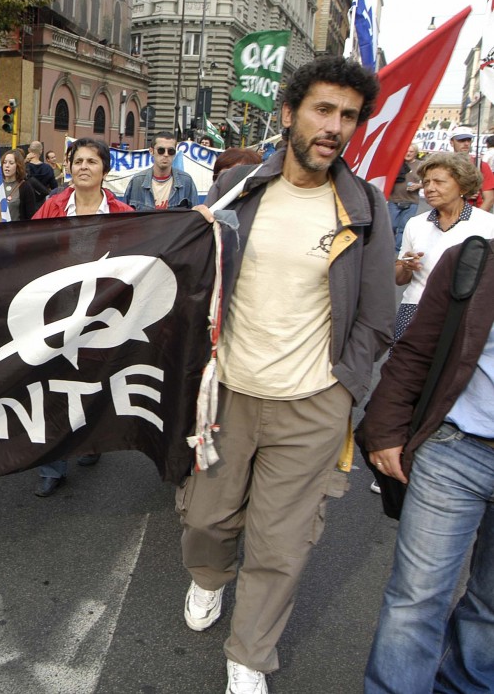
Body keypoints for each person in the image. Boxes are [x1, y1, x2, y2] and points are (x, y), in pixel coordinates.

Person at [179, 55, 391, 694]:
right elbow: (190, 278)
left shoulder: (364, 206)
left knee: (282, 541)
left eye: (348, 116)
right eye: (323, 110)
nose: (335, 127)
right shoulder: (239, 191)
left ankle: (251, 652)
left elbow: (378, 315)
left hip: (312, 407)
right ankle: (209, 579)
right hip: (228, 396)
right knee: (207, 520)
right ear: (290, 114)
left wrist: (342, 388)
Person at [359, 239, 494, 693]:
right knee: (416, 601)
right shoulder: (475, 261)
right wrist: (385, 429)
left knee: (491, 605)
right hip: (454, 451)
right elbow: (416, 348)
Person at [29, 137, 134, 496]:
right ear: (68, 167)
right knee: (53, 384)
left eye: (92, 161)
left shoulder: (123, 214)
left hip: (103, 313)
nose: (84, 167)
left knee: (94, 381)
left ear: (105, 169)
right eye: (78, 161)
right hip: (57, 313)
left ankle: (90, 440)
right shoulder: (51, 207)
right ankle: (52, 464)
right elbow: (29, 249)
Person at [393, 152, 494, 342]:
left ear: (462, 185)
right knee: (404, 369)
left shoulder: (488, 225)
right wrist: (406, 266)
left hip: (464, 313)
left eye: (439, 182)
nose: (430, 188)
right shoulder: (415, 224)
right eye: (426, 182)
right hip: (415, 309)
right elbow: (399, 278)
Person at [123, 132, 198, 210]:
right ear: (151, 151)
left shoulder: (186, 181)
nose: (166, 154)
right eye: (161, 150)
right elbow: (125, 217)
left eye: (171, 151)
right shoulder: (137, 181)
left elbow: (195, 215)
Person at [386, 143, 422, 254]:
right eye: (406, 151)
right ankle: (388, 250)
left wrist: (419, 186)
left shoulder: (420, 166)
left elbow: (427, 181)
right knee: (391, 226)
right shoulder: (396, 163)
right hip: (394, 200)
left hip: (411, 202)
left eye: (411, 151)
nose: (408, 153)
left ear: (415, 153)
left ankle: (396, 252)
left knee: (403, 228)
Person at [449, 126, 494, 211]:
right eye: (461, 140)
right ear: (452, 142)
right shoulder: (444, 165)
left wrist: (476, 220)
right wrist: (461, 195)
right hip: (449, 214)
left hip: (474, 213)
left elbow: (489, 199)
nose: (466, 143)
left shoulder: (481, 166)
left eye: (468, 140)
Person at [2, 149, 40, 221]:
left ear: (18, 165)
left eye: (11, 163)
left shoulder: (25, 187)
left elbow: (30, 215)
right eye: (4, 162)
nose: (7, 165)